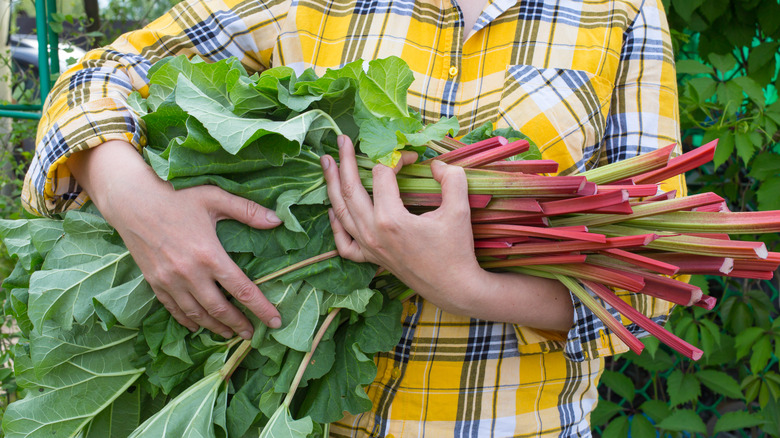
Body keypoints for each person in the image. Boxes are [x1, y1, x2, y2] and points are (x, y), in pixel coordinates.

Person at [23, 0, 685, 435]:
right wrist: (141, 205)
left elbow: (648, 285)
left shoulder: (621, 12)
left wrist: (464, 286)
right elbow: (99, 74)